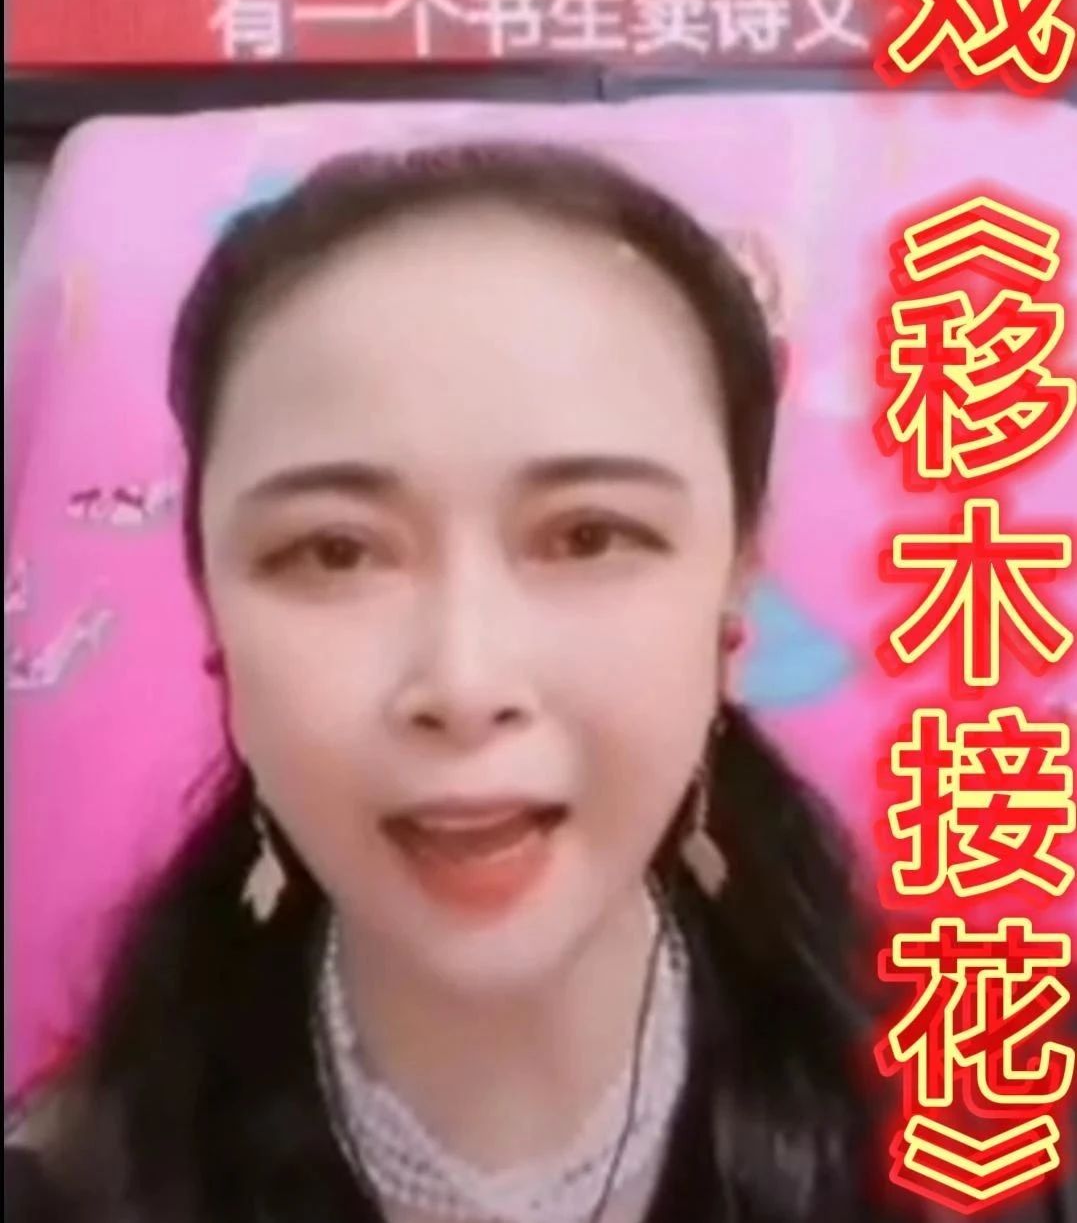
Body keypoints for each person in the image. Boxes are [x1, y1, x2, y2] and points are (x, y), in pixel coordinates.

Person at [4, 142, 1073, 1223]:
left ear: (735, 575)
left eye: (588, 535)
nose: (465, 682)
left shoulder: (993, 1122)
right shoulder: (75, 1186)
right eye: (335, 550)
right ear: (212, 601)